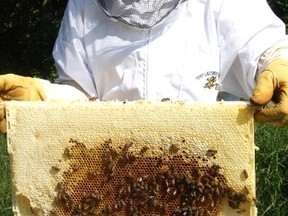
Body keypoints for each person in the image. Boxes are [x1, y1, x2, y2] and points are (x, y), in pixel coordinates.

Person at [0, 0, 288, 133]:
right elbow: (80, 99)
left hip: (201, 159)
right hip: (109, 174)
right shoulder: (82, 6)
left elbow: (264, 44)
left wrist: (280, 63)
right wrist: (43, 100)